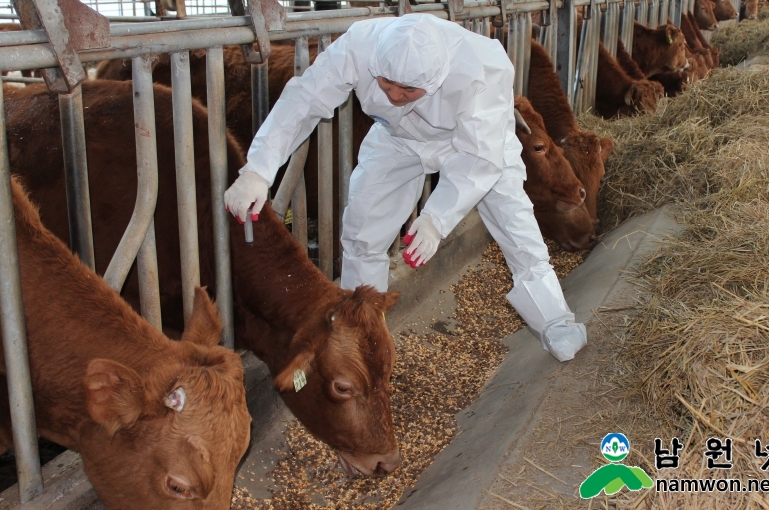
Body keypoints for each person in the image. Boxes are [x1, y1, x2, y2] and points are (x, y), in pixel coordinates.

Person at [224, 13, 586, 361]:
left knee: (518, 231)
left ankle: (556, 324)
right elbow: (305, 99)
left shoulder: (482, 69)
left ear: (436, 79)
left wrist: (436, 219)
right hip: (399, 137)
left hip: (479, 145)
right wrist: (259, 169)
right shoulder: (359, 46)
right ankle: (362, 340)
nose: (394, 95)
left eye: (408, 89)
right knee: (362, 232)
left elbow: (479, 160)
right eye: (385, 83)